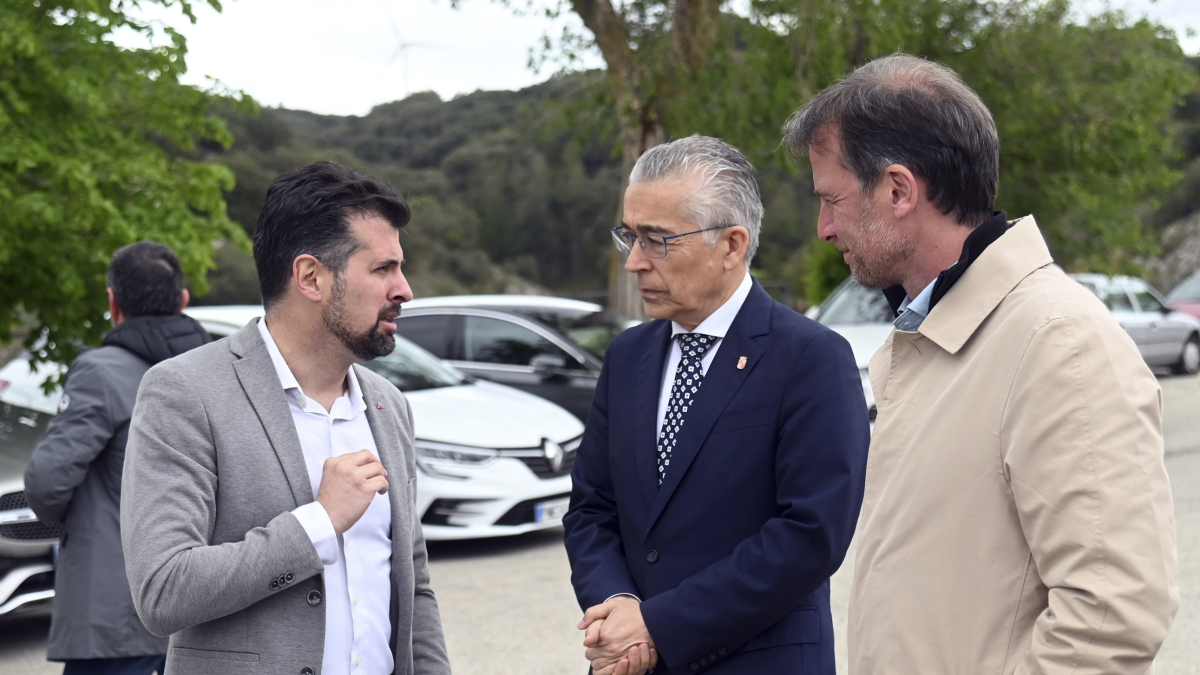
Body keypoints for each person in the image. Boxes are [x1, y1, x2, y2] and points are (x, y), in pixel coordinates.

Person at [782, 54, 1178, 674]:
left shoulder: (1058, 342)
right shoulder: (929, 338)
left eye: (831, 199)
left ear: (897, 190)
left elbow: (1112, 617)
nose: (823, 227)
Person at [120, 161, 451, 675]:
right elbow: (162, 590)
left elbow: (414, 585)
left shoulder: (389, 406)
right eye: (383, 269)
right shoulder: (185, 392)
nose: (405, 289)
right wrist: (317, 523)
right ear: (311, 277)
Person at [563, 135, 870, 675]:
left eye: (657, 240)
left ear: (731, 245)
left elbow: (809, 536)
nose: (634, 262)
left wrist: (660, 624)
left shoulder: (811, 357)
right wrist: (617, 604)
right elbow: (592, 508)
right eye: (629, 237)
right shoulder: (627, 355)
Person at [24, 241, 209, 675]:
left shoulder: (101, 372)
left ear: (112, 302)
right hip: (201, 606)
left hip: (116, 615)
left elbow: (47, 484)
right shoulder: (213, 368)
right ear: (182, 301)